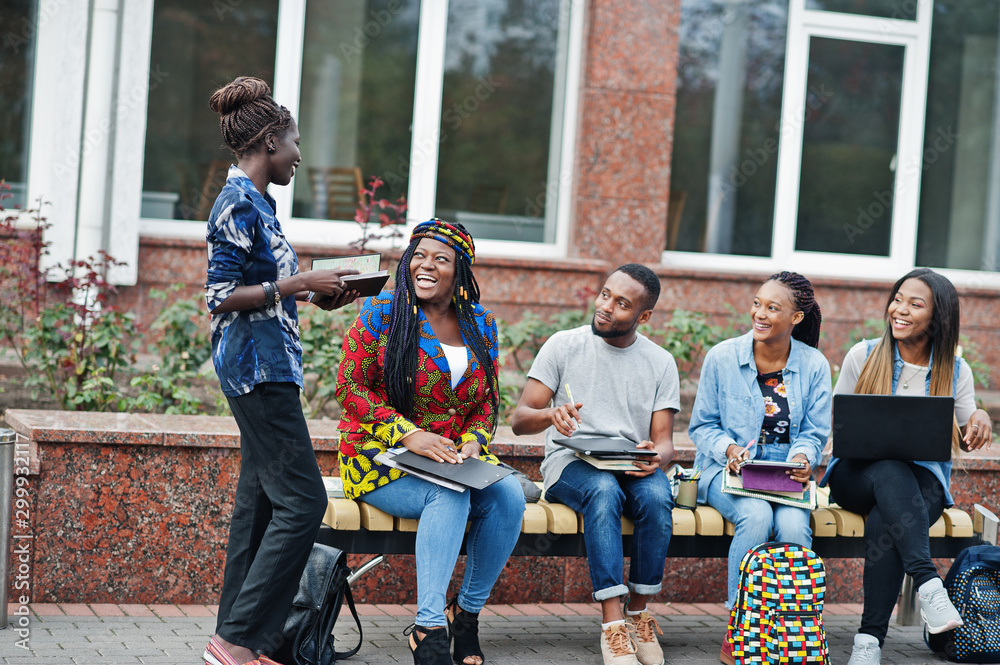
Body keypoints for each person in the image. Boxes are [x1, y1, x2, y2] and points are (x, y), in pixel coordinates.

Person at [202, 77, 361, 665]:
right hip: (255, 370)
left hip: (269, 366)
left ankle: (248, 641)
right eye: (294, 142)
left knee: (261, 504)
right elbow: (221, 294)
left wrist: (321, 293)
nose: (299, 153)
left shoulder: (258, 204)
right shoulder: (238, 201)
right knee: (303, 503)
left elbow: (265, 291)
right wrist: (299, 283)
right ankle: (238, 640)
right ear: (269, 142)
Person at [336, 219, 525, 665]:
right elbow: (349, 387)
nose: (426, 265)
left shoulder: (482, 325)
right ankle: (428, 627)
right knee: (450, 495)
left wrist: (475, 442)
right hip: (379, 456)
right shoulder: (382, 314)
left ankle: (467, 614)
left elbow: (487, 404)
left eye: (440, 258)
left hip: (453, 457)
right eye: (418, 255)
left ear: (460, 270)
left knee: (510, 497)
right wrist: (410, 434)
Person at [821, 268, 993, 665]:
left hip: (921, 485)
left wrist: (981, 415)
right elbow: (837, 422)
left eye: (915, 304)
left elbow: (971, 420)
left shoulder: (955, 369)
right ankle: (930, 584)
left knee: (888, 516)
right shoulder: (862, 356)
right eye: (898, 298)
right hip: (856, 475)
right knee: (888, 468)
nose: (899, 309)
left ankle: (868, 642)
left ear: (938, 317)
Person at [511, 264, 679, 665]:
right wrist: (552, 415)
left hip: (629, 464)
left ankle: (638, 613)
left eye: (622, 304)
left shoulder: (660, 361)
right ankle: (612, 624)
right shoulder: (564, 345)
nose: (606, 307)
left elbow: (665, 442)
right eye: (605, 294)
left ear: (644, 317)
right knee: (603, 492)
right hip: (570, 462)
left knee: (658, 497)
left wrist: (656, 456)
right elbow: (519, 420)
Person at [688, 271, 831, 665]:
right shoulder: (722, 357)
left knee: (791, 527)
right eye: (757, 303)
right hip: (727, 470)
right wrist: (730, 448)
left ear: (796, 318)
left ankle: (793, 628)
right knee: (754, 516)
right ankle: (742, 627)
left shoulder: (814, 365)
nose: (760, 313)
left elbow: (815, 433)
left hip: (785, 476)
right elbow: (702, 427)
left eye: (772, 307)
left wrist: (803, 458)